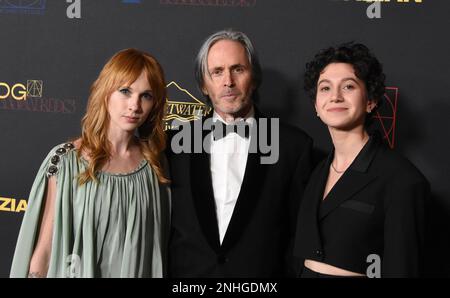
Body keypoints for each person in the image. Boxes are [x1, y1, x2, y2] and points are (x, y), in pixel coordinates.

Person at [10, 48, 171, 278]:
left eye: (146, 95)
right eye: (125, 91)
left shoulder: (156, 165)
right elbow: (44, 250)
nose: (135, 105)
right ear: (106, 93)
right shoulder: (65, 162)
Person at [166, 29, 313, 278]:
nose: (228, 82)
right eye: (217, 72)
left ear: (253, 78)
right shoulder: (173, 144)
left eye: (238, 69)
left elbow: (300, 237)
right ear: (204, 84)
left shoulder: (293, 147)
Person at [294, 42, 430, 278]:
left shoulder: (402, 180)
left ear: (371, 100)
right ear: (316, 105)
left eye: (348, 86)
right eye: (325, 88)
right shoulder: (316, 171)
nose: (335, 97)